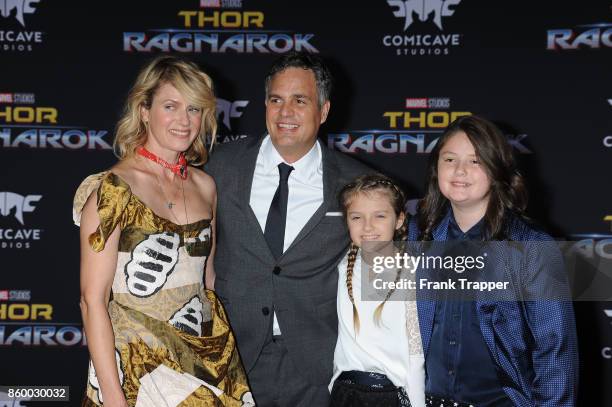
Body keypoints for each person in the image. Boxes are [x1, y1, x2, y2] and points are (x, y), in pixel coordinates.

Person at [74, 56, 253, 406]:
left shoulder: (205, 186)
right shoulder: (114, 190)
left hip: (205, 359)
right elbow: (91, 300)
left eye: (194, 109)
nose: (184, 121)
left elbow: (208, 283)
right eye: (170, 106)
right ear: (144, 110)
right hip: (137, 366)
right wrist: (112, 394)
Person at [205, 51, 370, 405]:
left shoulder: (356, 183)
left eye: (300, 100)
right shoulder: (219, 168)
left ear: (323, 111)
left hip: (316, 369)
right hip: (232, 360)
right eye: (276, 100)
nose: (285, 113)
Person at [409, 115, 578, 407]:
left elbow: (555, 351)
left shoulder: (532, 246)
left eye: (475, 161)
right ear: (436, 168)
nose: (459, 170)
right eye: (450, 159)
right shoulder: (416, 235)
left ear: (497, 169)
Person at [330, 174, 425, 407]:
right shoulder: (344, 267)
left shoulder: (412, 273)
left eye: (380, 216)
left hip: (391, 396)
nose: (368, 226)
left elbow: (415, 355)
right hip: (344, 394)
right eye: (356, 217)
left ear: (400, 219)